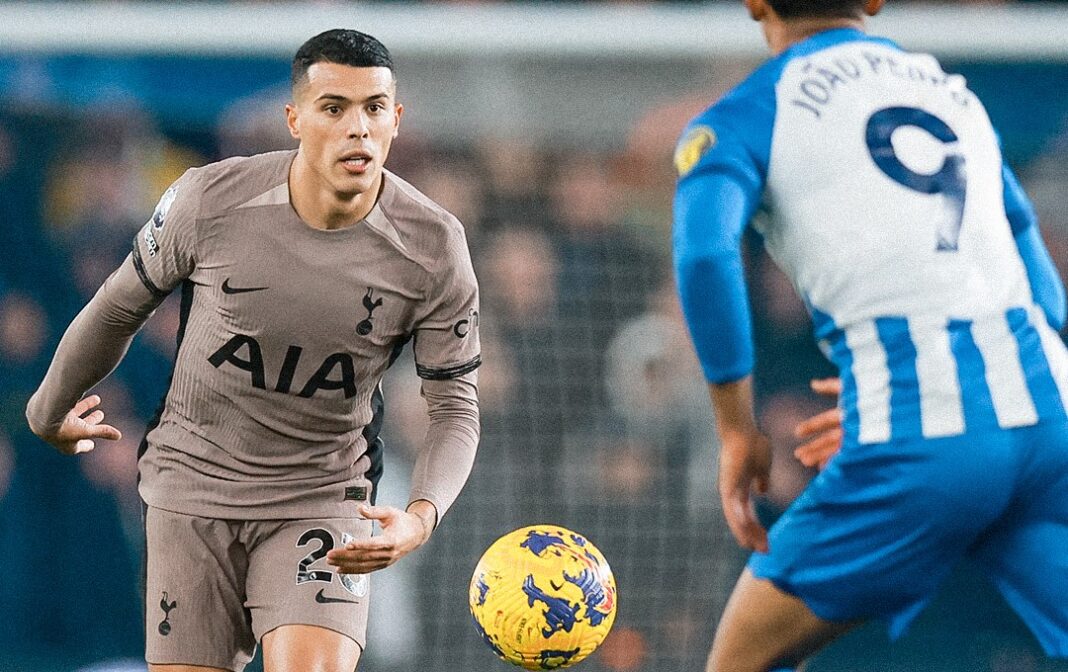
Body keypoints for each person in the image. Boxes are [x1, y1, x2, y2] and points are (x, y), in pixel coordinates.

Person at [26, 29, 481, 672]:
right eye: (334, 108)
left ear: (396, 120)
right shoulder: (209, 199)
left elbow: (455, 409)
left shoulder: (434, 247)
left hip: (320, 495)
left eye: (374, 108)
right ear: (294, 119)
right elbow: (117, 307)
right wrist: (46, 410)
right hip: (192, 490)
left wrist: (420, 516)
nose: (358, 128)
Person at [671, 1, 1068, 670]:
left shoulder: (746, 114)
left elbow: (706, 254)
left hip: (927, 439)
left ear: (755, 4)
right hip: (1052, 412)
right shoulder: (951, 96)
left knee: (740, 659)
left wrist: (738, 431)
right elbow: (1042, 287)